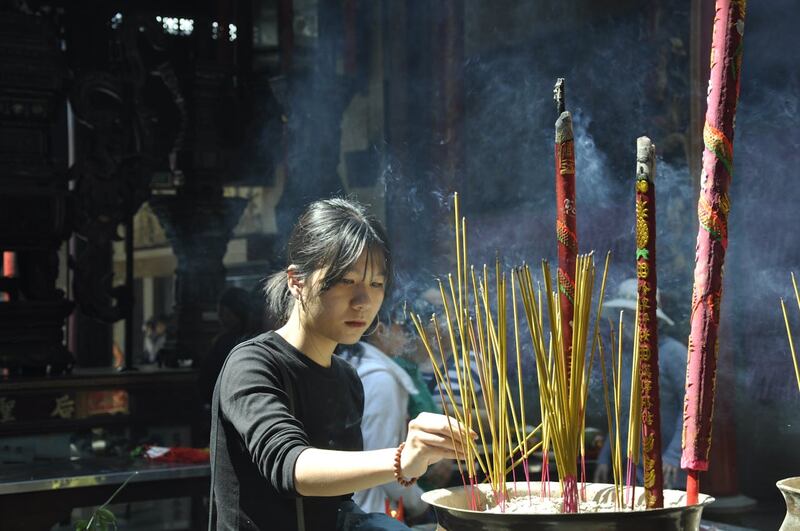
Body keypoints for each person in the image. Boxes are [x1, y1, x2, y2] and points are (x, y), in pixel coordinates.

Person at [209, 198, 472, 531]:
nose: (363, 302)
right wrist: (402, 458)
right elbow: (292, 467)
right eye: (346, 281)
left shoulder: (346, 377)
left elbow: (336, 506)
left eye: (376, 285)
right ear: (296, 281)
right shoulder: (252, 364)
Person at [337, 303, 428, 522]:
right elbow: (386, 464)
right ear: (381, 330)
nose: (407, 335)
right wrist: (424, 504)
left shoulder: (352, 363)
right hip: (369, 511)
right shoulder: (381, 380)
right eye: (401, 327)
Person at [592, 278, 686, 489]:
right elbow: (623, 413)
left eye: (632, 316)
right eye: (621, 316)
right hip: (632, 468)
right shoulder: (626, 358)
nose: (624, 323)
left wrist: (673, 455)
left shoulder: (673, 353)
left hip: (667, 469)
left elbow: (692, 410)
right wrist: (606, 455)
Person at [198, 287, 254, 405]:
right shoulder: (254, 338)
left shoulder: (225, 342)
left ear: (237, 312)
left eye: (224, 313)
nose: (220, 318)